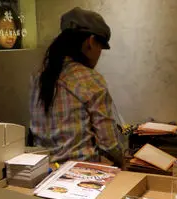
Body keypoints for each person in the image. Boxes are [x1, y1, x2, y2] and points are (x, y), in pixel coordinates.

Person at [29, 7, 125, 165]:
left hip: (44, 171)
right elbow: (110, 145)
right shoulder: (90, 79)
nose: (99, 54)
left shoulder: (38, 76)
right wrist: (125, 161)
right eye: (101, 48)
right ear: (91, 42)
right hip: (82, 173)